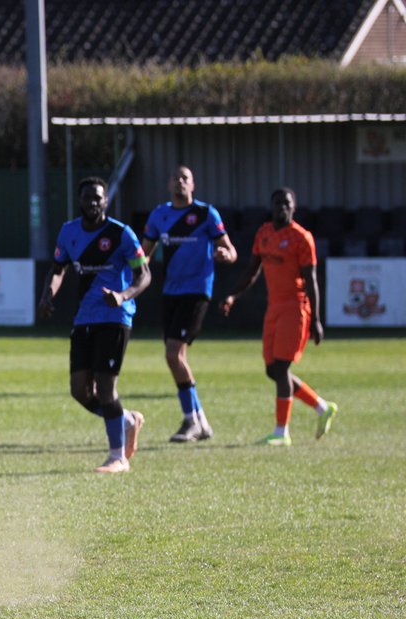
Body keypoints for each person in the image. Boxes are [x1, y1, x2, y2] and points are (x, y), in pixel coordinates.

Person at [38, 176, 151, 473]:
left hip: (115, 318)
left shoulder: (121, 234)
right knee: (79, 390)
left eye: (97, 198)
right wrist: (47, 295)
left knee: (105, 386)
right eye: (87, 197)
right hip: (84, 318)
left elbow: (144, 275)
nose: (92, 202)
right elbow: (58, 269)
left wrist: (123, 295)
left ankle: (118, 457)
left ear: (106, 201)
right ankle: (126, 420)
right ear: (80, 201)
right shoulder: (68, 232)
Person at [219, 187, 338, 445]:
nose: (281, 207)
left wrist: (316, 319)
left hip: (295, 308)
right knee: (273, 370)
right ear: (271, 207)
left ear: (294, 208)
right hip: (274, 308)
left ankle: (281, 432)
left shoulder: (301, 238)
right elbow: (252, 270)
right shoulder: (264, 233)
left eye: (287, 203)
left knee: (282, 367)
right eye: (277, 203)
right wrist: (233, 295)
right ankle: (321, 407)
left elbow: (311, 280)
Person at [141, 166, 238, 443]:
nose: (180, 182)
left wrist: (225, 254)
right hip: (170, 291)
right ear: (168, 184)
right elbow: (144, 254)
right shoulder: (160, 215)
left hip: (197, 290)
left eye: (185, 178)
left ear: (193, 184)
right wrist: (132, 274)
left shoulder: (207, 214)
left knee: (173, 355)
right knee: (176, 357)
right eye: (175, 177)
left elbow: (231, 251)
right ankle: (200, 422)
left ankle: (190, 420)